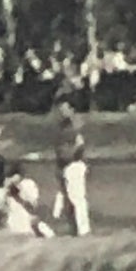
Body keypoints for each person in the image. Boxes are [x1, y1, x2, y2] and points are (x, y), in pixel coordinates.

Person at [52, 101, 90, 236]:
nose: (62, 112)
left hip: (74, 164)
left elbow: (79, 146)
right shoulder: (61, 128)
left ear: (71, 109)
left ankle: (83, 230)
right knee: (68, 200)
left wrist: (69, 156)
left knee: (77, 198)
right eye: (60, 109)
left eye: (65, 109)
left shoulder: (76, 126)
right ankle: (73, 228)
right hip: (65, 166)